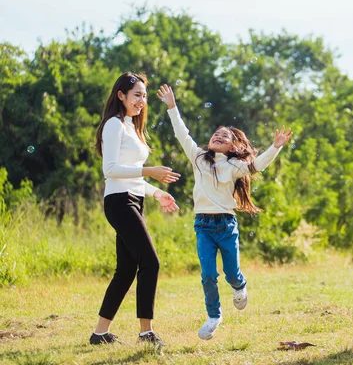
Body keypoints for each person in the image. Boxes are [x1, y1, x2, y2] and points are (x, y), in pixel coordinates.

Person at [157, 84, 292, 340]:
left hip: (227, 225)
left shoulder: (233, 166)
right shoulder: (197, 157)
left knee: (231, 273)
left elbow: (257, 165)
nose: (218, 136)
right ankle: (214, 316)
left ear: (232, 146)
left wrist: (275, 147)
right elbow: (182, 134)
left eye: (225, 136)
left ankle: (240, 286)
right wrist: (172, 107)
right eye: (216, 133)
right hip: (203, 226)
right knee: (208, 274)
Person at [90, 72, 181, 346]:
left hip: (133, 199)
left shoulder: (131, 126)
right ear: (121, 95)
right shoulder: (114, 125)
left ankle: (99, 334)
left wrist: (155, 192)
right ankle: (146, 333)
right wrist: (150, 171)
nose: (141, 100)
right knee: (150, 262)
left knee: (127, 270)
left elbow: (133, 178)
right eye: (136, 95)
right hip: (119, 202)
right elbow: (111, 170)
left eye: (143, 95)